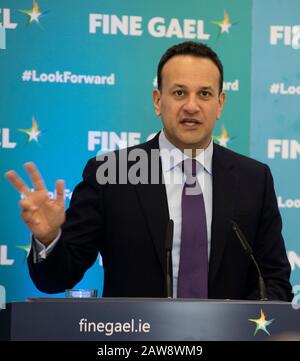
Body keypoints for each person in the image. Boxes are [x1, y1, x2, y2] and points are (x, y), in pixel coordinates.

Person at [5, 41, 292, 301]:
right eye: (179, 92)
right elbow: (57, 279)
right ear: (158, 101)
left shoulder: (254, 179)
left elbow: (274, 281)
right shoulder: (111, 173)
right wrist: (49, 238)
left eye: (204, 94)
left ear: (220, 104)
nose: (191, 106)